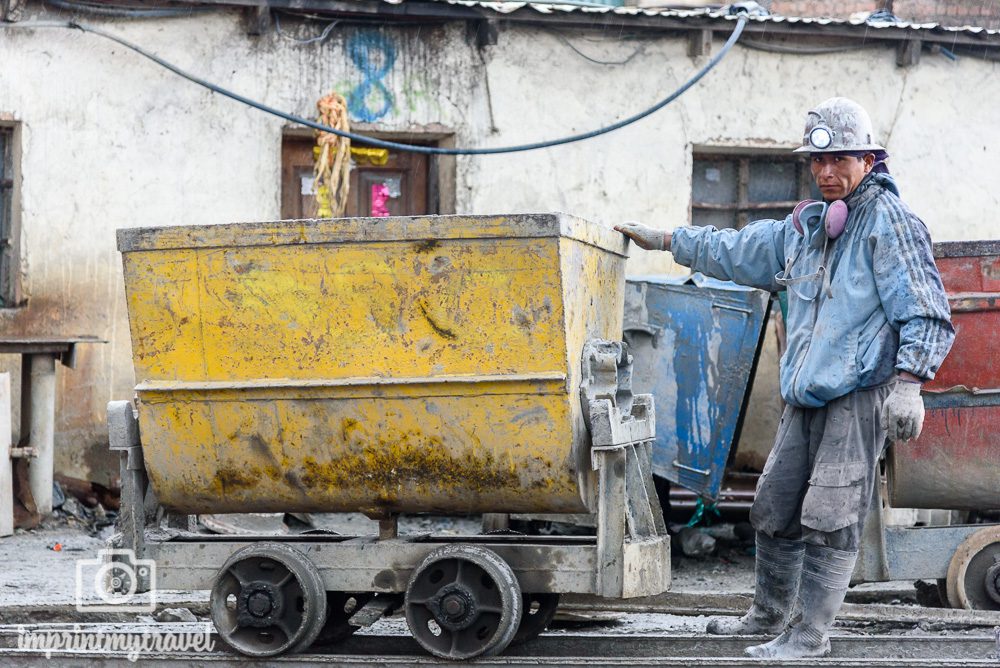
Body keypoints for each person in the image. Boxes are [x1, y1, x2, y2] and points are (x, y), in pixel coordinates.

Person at [615, 97, 954, 659]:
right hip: (806, 398)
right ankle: (767, 615)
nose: (826, 172)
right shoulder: (809, 228)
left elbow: (925, 309)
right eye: (817, 163)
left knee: (830, 517)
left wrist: (911, 381)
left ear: (868, 160)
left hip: (857, 396)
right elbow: (739, 247)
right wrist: (669, 241)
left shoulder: (890, 225)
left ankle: (810, 636)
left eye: (839, 160)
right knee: (772, 507)